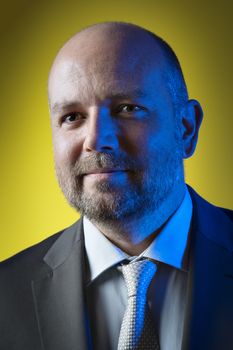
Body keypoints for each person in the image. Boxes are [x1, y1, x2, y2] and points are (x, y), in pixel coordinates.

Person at [0, 21, 232, 350]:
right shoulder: (5, 297)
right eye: (72, 116)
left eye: (127, 109)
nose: (96, 139)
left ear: (186, 128)